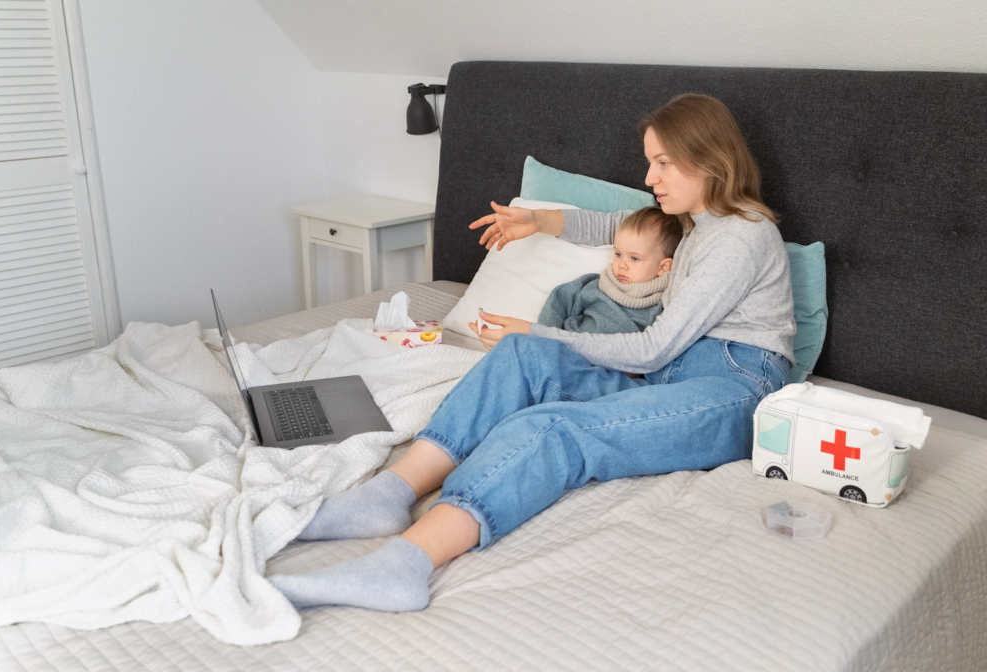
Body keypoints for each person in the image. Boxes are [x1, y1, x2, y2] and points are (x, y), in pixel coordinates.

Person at [268, 93, 796, 613]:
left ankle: (404, 564)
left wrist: (547, 332)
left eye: (663, 163)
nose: (649, 178)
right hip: (671, 375)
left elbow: (652, 349)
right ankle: (386, 495)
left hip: (728, 389)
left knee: (552, 427)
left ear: (710, 160)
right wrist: (538, 222)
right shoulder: (690, 223)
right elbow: (612, 223)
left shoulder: (741, 237)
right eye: (649, 162)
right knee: (521, 354)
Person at [537, 205, 682, 334]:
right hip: (570, 346)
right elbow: (559, 300)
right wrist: (546, 338)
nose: (621, 265)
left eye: (634, 258)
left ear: (663, 267)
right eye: (618, 254)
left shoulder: (662, 306)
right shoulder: (594, 285)